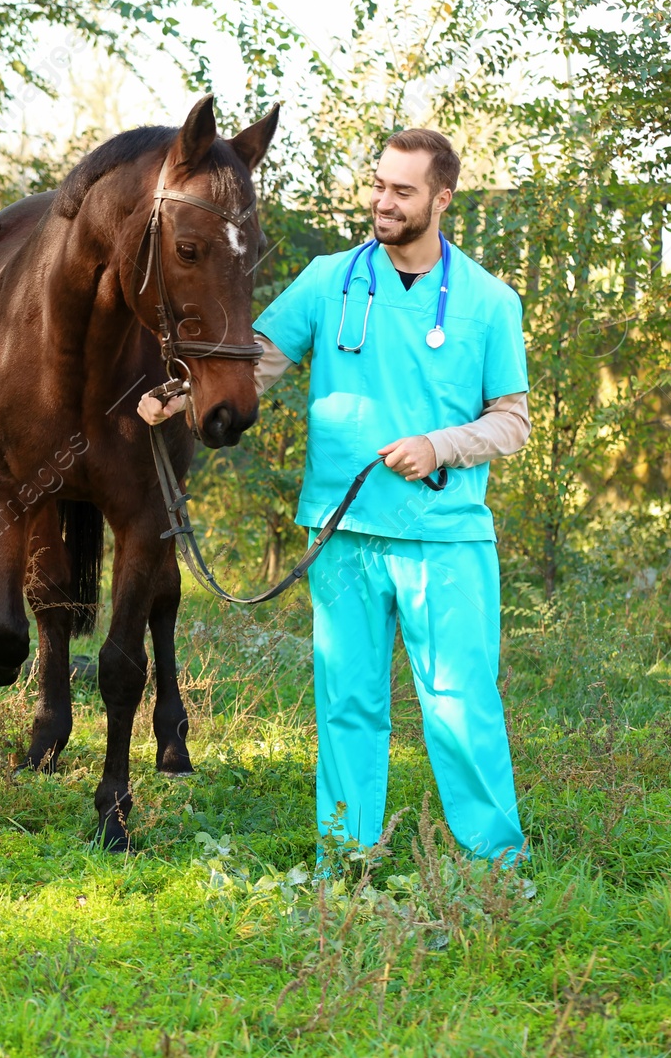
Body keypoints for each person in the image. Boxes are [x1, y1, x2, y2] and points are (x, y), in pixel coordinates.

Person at [139, 128, 531, 864]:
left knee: (460, 708)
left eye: (402, 191)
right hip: (342, 534)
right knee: (348, 707)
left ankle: (495, 866)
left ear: (442, 199)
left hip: (443, 537)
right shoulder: (328, 280)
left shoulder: (488, 301)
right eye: (379, 184)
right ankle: (344, 860)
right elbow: (257, 362)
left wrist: (440, 445)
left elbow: (513, 421)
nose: (383, 201)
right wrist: (179, 394)